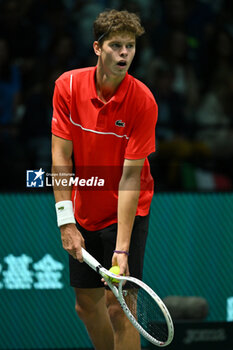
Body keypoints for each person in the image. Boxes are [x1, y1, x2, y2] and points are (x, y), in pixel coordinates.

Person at [51, 9, 157, 350]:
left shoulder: (142, 101)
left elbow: (130, 177)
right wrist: (66, 222)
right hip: (85, 206)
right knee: (86, 305)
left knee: (120, 306)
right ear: (98, 48)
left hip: (126, 209)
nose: (124, 53)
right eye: (116, 45)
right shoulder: (67, 86)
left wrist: (121, 249)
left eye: (130, 46)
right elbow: (60, 157)